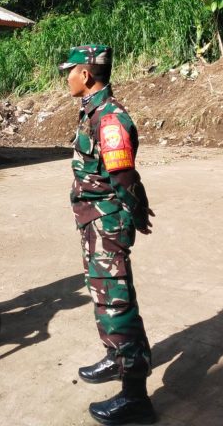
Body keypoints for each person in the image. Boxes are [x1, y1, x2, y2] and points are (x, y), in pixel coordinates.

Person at [59, 45, 157, 425]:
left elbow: (123, 176)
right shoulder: (92, 111)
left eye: (69, 71)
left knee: (116, 303)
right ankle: (116, 358)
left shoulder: (110, 118)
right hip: (93, 223)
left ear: (85, 75)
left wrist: (135, 213)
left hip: (107, 226)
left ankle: (136, 396)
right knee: (104, 296)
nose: (66, 78)